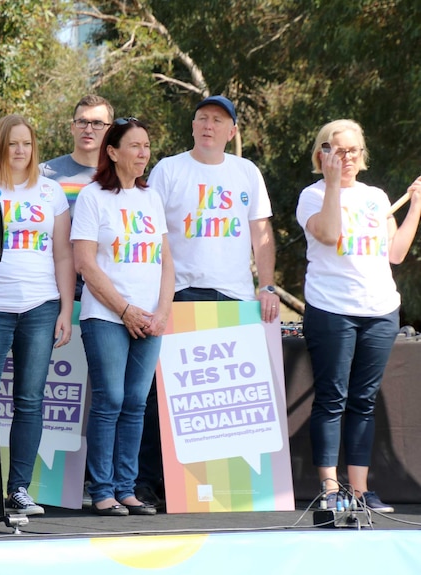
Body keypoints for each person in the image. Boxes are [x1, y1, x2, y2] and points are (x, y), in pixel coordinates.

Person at [139, 95, 280, 508]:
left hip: (234, 298)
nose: (208, 126)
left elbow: (261, 233)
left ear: (232, 131)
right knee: (161, 395)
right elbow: (150, 233)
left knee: (224, 399)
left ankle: (220, 488)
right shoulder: (168, 170)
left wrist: (267, 286)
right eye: (202, 118)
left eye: (218, 121)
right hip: (180, 294)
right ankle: (149, 483)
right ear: (193, 126)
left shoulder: (246, 172)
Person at [296, 119, 421, 513]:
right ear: (322, 155)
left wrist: (416, 205)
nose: (345, 157)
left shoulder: (377, 197)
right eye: (336, 149)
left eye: (352, 150)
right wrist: (333, 185)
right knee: (332, 398)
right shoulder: (312, 196)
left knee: (363, 401)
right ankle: (330, 489)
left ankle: (360, 490)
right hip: (332, 308)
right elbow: (330, 235)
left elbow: (396, 252)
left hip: (381, 309)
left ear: (362, 155)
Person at [0, 115, 76, 516]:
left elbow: (62, 253)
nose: (21, 150)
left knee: (29, 400)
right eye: (12, 144)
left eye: (26, 143)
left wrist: (64, 308)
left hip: (40, 308)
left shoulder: (51, 192)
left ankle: (19, 489)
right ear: (0, 147)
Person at [71, 118, 173, 517]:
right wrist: (125, 310)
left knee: (135, 402)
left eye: (147, 146)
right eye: (135, 146)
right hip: (106, 317)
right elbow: (85, 263)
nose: (143, 153)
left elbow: (167, 262)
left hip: (151, 320)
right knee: (111, 399)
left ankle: (126, 489)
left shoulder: (152, 199)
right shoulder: (93, 197)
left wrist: (161, 312)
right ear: (112, 151)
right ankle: (102, 490)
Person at [41, 95, 114, 301]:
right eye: (82, 122)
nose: (88, 129)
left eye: (98, 123)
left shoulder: (121, 178)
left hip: (106, 289)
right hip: (54, 289)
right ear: (73, 127)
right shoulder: (45, 174)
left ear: (109, 131)